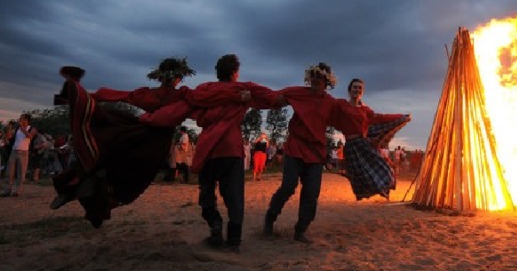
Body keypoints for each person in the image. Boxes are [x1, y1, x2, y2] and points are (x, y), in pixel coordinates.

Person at [142, 54, 281, 251]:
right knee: (234, 197)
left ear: (218, 72)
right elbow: (272, 98)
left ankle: (215, 224)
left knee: (206, 193)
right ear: (235, 73)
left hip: (209, 149)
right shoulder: (242, 89)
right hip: (231, 149)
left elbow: (186, 99)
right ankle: (233, 242)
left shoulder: (205, 90)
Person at [49, 61, 190, 227]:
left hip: (137, 133)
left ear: (160, 75)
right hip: (156, 145)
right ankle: (97, 203)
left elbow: (118, 95)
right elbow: (202, 103)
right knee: (133, 181)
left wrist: (91, 97)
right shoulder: (182, 97)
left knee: (110, 155)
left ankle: (81, 184)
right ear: (179, 78)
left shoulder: (148, 94)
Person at [263, 62, 340, 244]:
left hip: (315, 152)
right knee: (289, 186)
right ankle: (270, 218)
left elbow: (348, 117)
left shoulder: (330, 103)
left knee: (311, 192)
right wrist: (253, 97)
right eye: (313, 76)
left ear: (326, 82)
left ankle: (300, 230)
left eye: (319, 78)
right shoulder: (298, 92)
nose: (315, 80)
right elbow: (274, 97)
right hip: (295, 147)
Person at [332, 78, 411, 200]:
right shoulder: (341, 104)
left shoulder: (364, 109)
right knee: (359, 176)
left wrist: (400, 116)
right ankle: (370, 190)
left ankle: (384, 190)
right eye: (355, 87)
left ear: (362, 92)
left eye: (360, 88)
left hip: (363, 144)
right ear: (349, 90)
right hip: (351, 147)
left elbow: (379, 117)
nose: (357, 89)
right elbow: (326, 106)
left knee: (383, 166)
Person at [2, 114, 38, 197]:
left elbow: (30, 136)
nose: (19, 120)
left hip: (24, 153)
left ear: (26, 120)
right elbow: (9, 137)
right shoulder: (17, 128)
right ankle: (7, 190)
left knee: (21, 173)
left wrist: (22, 127)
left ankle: (17, 191)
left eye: (21, 119)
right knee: (9, 172)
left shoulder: (32, 129)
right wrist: (9, 127)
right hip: (14, 151)